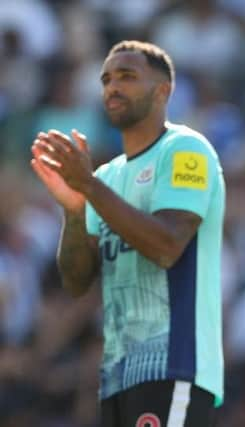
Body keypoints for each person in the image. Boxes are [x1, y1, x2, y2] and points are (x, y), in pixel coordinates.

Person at [30, 41, 225, 426]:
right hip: (117, 375)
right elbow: (76, 282)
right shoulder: (105, 177)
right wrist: (73, 211)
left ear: (163, 90)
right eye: (106, 79)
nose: (112, 87)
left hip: (174, 367)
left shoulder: (186, 150)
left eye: (127, 76)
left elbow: (168, 246)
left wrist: (89, 189)